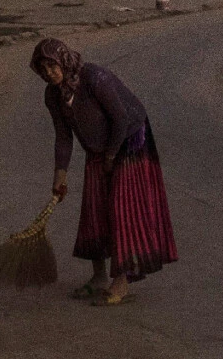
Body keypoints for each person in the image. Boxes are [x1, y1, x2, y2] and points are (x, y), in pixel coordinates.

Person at [30, 37, 175, 303]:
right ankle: (98, 277)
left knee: (123, 209)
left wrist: (110, 155)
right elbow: (63, 136)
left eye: (52, 65)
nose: (49, 73)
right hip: (97, 146)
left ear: (63, 60)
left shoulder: (95, 78)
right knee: (94, 209)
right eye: (43, 69)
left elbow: (120, 118)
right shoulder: (53, 96)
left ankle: (120, 283)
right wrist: (60, 174)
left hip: (130, 138)